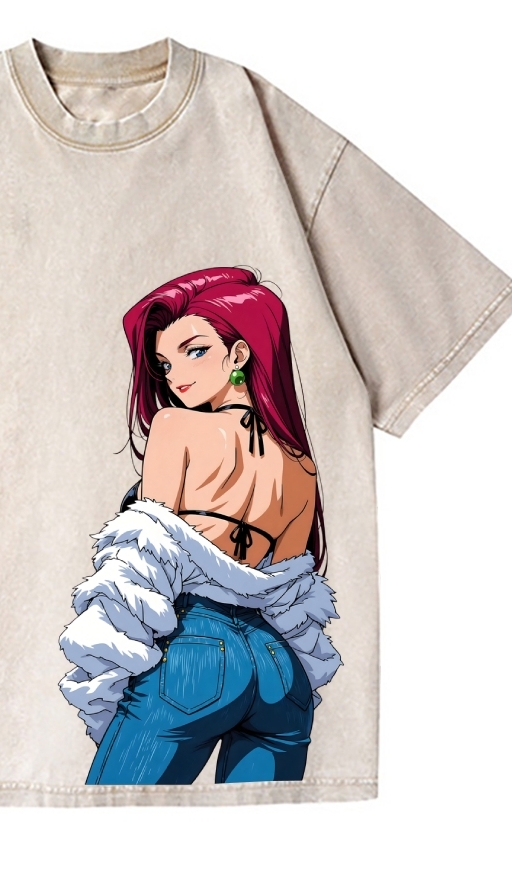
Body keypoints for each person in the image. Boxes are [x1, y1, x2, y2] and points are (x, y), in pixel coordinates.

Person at [58, 266, 342, 785]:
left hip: (194, 654)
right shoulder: (301, 465)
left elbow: (144, 564)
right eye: (164, 363)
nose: (174, 375)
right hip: (279, 670)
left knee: (112, 820)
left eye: (194, 351)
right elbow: (292, 595)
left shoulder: (176, 427)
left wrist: (107, 680)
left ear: (239, 354)